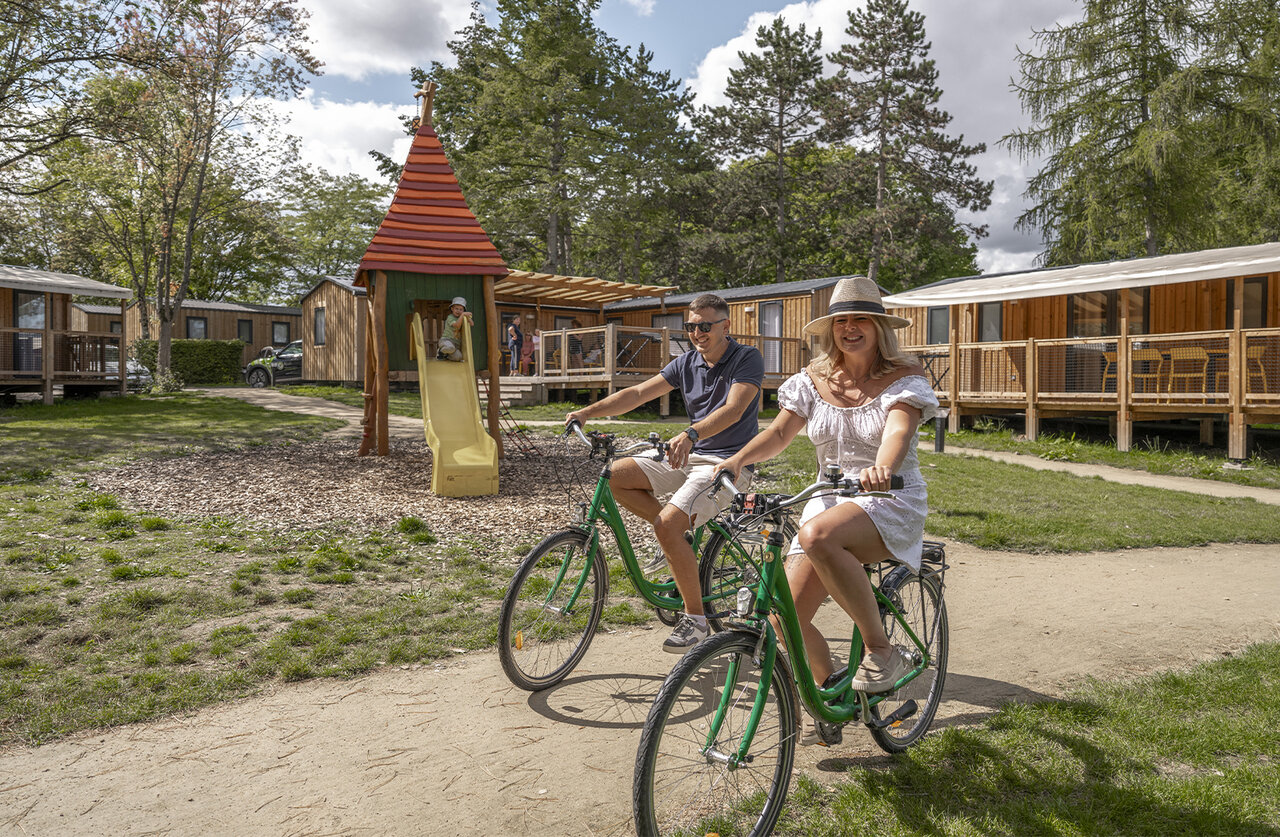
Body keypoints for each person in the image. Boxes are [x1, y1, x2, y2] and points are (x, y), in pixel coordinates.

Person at [715, 275, 938, 740]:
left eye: (861, 319)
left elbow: (897, 432)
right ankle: (829, 688)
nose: (849, 328)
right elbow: (778, 434)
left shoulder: (905, 379)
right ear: (829, 329)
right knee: (780, 618)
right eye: (841, 321)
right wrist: (736, 461)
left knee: (818, 536)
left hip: (887, 495)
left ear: (880, 326)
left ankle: (881, 650)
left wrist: (882, 467)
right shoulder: (811, 381)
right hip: (830, 498)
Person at [566, 294, 763, 653]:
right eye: (691, 326)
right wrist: (587, 412)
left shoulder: (745, 358)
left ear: (725, 326)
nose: (697, 333)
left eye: (705, 326)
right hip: (689, 454)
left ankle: (697, 621)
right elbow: (639, 392)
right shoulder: (686, 362)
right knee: (615, 476)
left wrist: (691, 433)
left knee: (667, 526)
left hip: (729, 464)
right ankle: (678, 536)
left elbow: (734, 409)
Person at [438, 297, 472, 361]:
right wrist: (462, 315)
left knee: (458, 357)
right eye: (456, 309)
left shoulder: (462, 318)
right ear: (452, 309)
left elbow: (472, 324)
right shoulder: (450, 317)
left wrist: (468, 318)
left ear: (463, 311)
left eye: (461, 309)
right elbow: (456, 325)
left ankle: (446, 355)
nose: (458, 311)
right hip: (446, 341)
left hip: (456, 345)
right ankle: (440, 351)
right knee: (450, 347)